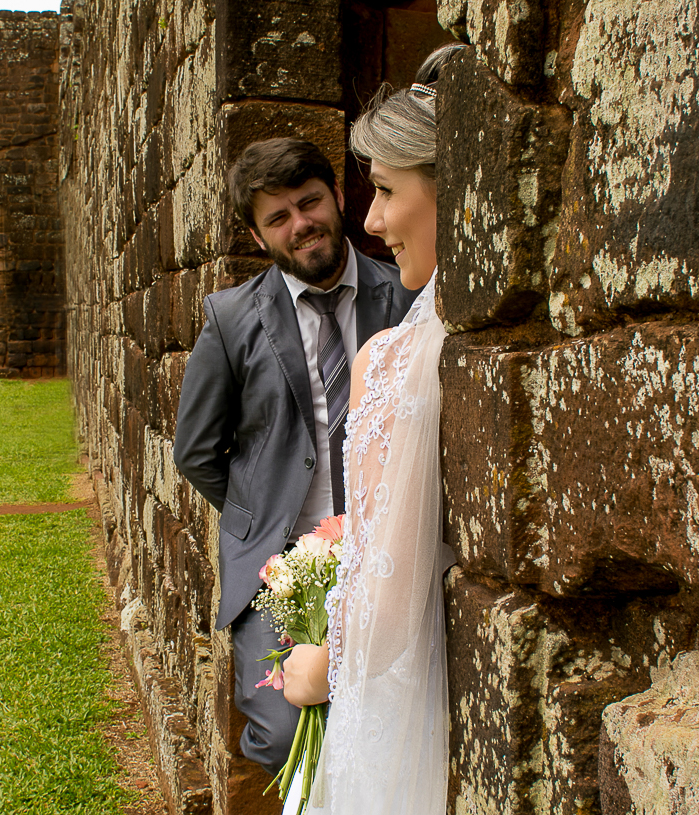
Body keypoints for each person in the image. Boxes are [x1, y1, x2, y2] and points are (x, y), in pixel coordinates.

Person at [172, 138, 418, 777]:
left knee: (389, 722)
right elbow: (197, 451)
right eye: (277, 218)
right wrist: (263, 519)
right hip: (279, 566)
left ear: (339, 199)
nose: (300, 224)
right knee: (283, 733)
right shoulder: (230, 319)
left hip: (389, 552)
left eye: (309, 203)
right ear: (259, 236)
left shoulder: (408, 295)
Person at [282, 42, 466, 814]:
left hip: (385, 692)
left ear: (450, 190)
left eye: (388, 190)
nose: (373, 218)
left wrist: (316, 665)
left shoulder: (392, 358)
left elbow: (386, 607)